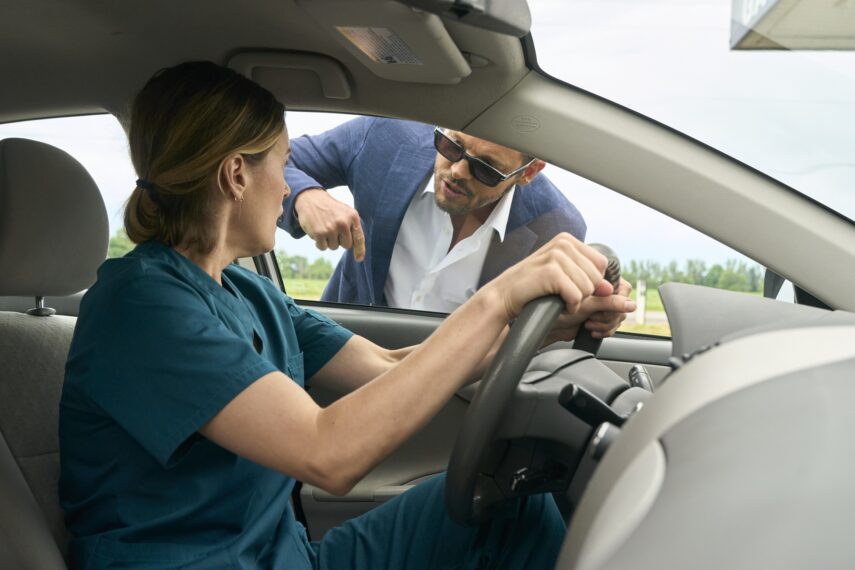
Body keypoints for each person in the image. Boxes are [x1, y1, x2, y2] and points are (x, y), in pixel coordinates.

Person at [59, 61, 636, 569]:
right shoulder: (142, 306)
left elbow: (390, 366)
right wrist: (498, 297)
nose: (288, 184)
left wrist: (546, 330)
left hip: (280, 557)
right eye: (283, 165)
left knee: (515, 512)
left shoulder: (245, 291)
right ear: (236, 175)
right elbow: (326, 453)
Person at [279, 117, 591, 312]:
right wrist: (304, 197)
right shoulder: (384, 137)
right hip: (345, 351)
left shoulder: (557, 229)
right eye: (452, 145)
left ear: (528, 173)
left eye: (485, 168)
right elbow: (265, 158)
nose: (456, 171)